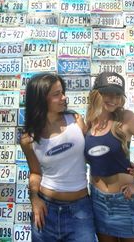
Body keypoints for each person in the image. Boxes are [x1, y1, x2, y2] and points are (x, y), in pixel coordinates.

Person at [85, 72, 134, 242]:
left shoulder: (126, 118)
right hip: (98, 202)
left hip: (125, 201)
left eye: (118, 94)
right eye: (108, 93)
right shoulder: (89, 122)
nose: (113, 99)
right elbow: (93, 157)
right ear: (96, 93)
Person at [20, 73, 96, 242]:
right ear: (41, 99)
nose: (64, 97)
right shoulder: (28, 138)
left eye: (62, 92)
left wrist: (120, 163)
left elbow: (94, 155)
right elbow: (35, 173)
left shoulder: (76, 121)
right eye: (57, 94)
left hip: (80, 211)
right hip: (46, 212)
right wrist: (34, 199)